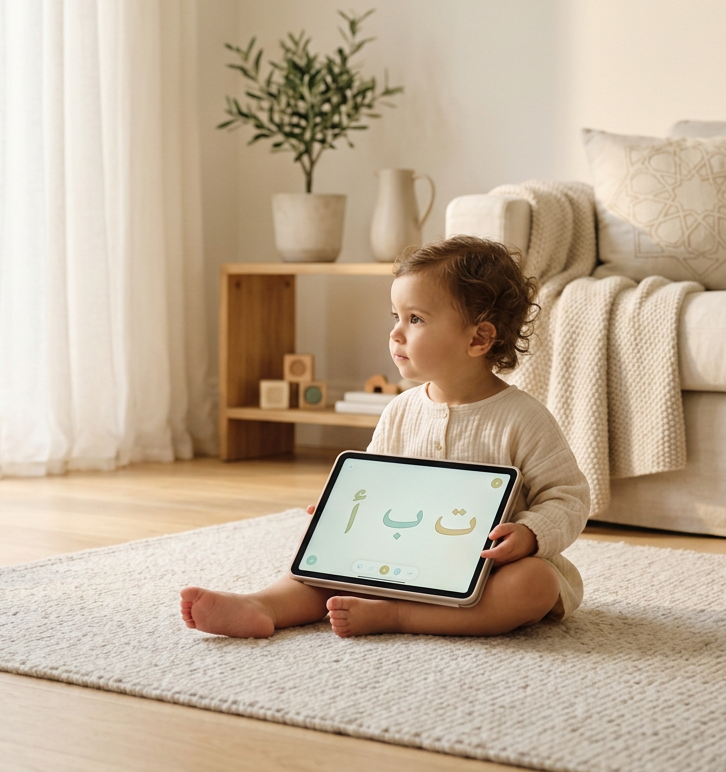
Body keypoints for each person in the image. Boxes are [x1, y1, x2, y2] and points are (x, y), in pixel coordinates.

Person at [181, 236, 591, 638]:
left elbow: (568, 496)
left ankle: (398, 616)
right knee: (324, 563)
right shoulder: (400, 410)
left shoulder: (523, 418)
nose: (396, 333)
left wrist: (531, 534)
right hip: (399, 554)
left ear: (479, 338)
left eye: (415, 319)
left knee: (534, 584)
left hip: (485, 568)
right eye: (395, 317)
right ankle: (262, 606)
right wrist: (341, 514)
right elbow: (375, 485)